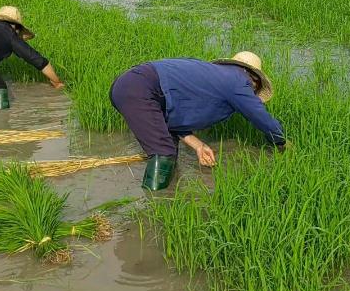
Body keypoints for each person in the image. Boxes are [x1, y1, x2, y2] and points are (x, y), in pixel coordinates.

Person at [109, 52, 285, 191]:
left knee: (168, 144)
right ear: (254, 79)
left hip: (128, 85)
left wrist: (198, 145)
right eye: (255, 88)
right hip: (140, 88)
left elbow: (172, 118)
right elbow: (262, 118)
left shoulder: (215, 76)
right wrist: (281, 141)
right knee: (163, 152)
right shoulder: (239, 81)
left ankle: (168, 190)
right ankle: (155, 203)